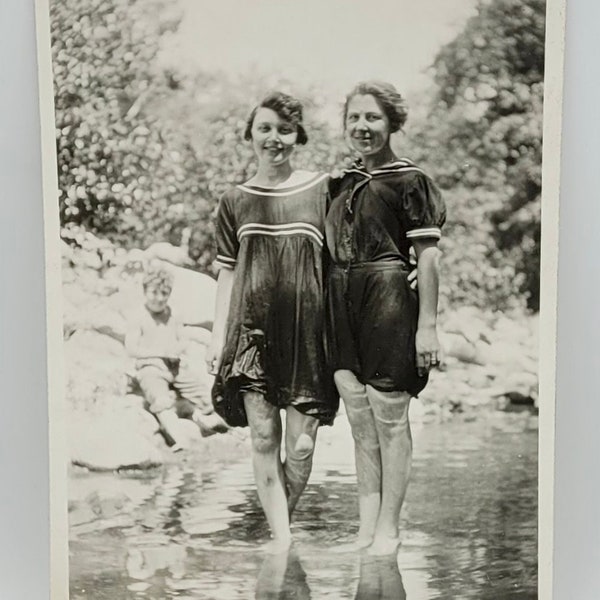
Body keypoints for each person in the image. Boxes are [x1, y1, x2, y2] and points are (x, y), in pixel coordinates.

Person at [206, 92, 338, 553]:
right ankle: (281, 540)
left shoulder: (323, 188)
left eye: (284, 129)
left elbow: (353, 250)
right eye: (264, 128)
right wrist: (217, 337)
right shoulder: (234, 200)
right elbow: (226, 273)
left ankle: (276, 525)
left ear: (298, 136)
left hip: (307, 333)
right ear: (251, 134)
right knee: (264, 435)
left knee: (301, 446)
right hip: (251, 332)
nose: (274, 139)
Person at [325, 81, 446, 555]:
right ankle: (365, 526)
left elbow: (429, 259)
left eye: (373, 117)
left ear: (393, 123)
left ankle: (389, 529)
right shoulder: (341, 182)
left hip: (389, 298)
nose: (362, 126)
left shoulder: (410, 180)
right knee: (358, 413)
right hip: (342, 300)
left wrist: (428, 327)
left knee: (390, 416)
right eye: (354, 117)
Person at [125, 263, 228, 450]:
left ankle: (204, 418)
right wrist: (159, 352)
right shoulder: (138, 315)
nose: (159, 299)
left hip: (175, 366)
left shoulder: (173, 314)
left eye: (164, 294)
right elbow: (131, 348)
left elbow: (182, 340)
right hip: (151, 368)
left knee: (206, 395)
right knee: (161, 399)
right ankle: (180, 438)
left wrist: (176, 350)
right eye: (154, 292)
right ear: (145, 290)